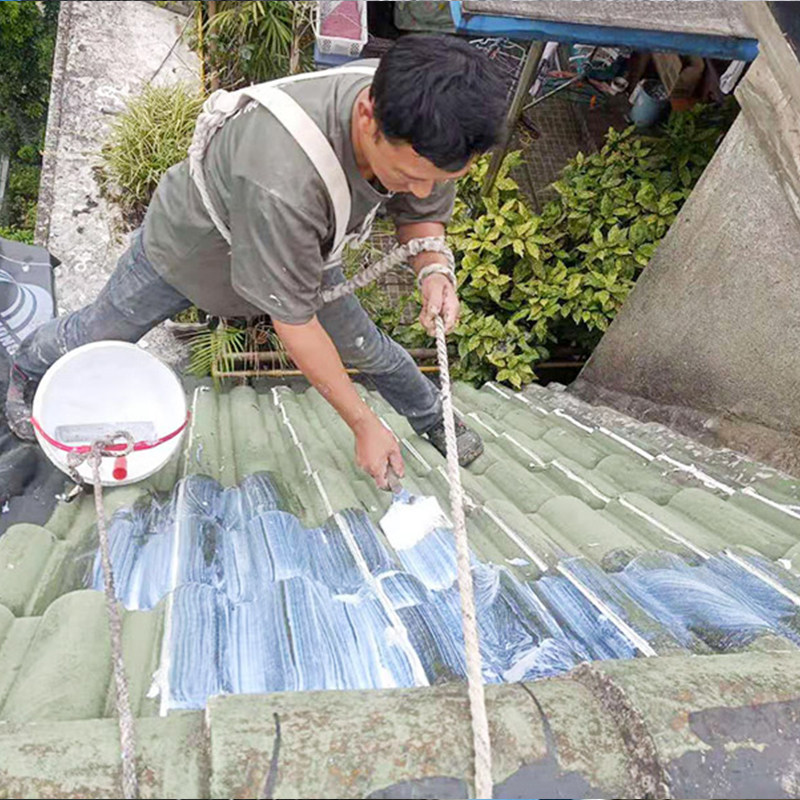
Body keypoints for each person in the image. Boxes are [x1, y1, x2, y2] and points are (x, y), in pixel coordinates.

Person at [5, 34, 506, 489]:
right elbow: (296, 323)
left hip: (301, 251)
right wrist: (363, 424)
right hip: (190, 248)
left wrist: (433, 268)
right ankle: (26, 371)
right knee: (102, 333)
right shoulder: (283, 177)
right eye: (408, 177)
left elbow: (422, 213)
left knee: (365, 345)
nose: (420, 190)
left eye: (438, 180)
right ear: (366, 116)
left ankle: (431, 415)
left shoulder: (427, 118)